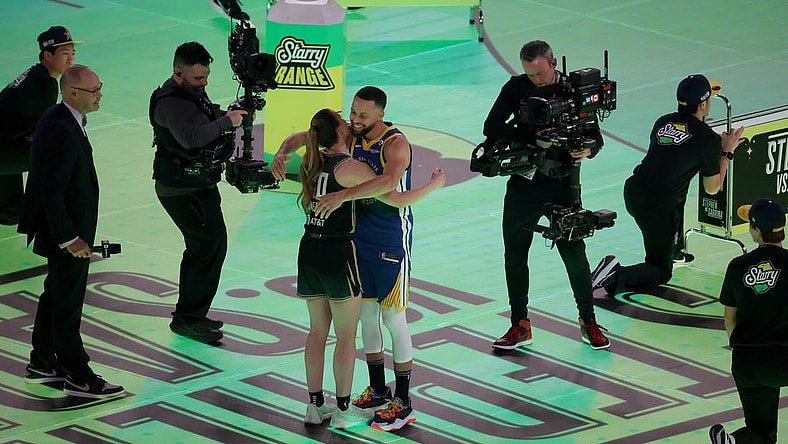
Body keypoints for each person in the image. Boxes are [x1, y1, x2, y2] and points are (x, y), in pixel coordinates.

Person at [273, 86, 422, 432]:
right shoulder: (349, 139)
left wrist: (343, 195)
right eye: (352, 113)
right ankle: (377, 390)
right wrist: (281, 151)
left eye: (362, 115)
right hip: (356, 242)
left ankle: (404, 400)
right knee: (366, 317)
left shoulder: (395, 144)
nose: (354, 120)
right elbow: (303, 136)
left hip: (389, 240)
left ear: (380, 115)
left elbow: (390, 184)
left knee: (392, 318)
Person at [297, 108, 445, 429]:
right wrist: (435, 184)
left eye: (357, 113)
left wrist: (282, 151)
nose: (351, 120)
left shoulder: (310, 161)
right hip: (341, 252)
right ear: (339, 132)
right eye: (346, 117)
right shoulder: (351, 167)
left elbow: (304, 137)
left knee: (320, 330)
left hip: (309, 249)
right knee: (348, 335)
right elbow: (394, 194)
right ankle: (344, 409)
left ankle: (315, 405)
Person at [481, 40, 610, 351]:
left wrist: (588, 148)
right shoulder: (516, 88)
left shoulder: (575, 90)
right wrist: (531, 137)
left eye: (539, 74)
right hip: (524, 183)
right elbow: (492, 126)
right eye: (529, 74)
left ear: (553, 63)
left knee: (575, 256)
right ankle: (519, 324)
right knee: (514, 255)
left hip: (562, 184)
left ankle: (588, 321)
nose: (534, 80)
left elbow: (596, 137)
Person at [17, 64, 124, 399]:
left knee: (54, 296)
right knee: (66, 303)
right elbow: (52, 190)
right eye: (94, 91)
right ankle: (78, 374)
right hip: (66, 236)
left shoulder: (58, 119)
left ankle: (43, 361)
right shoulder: (62, 129)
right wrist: (70, 239)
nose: (100, 95)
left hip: (62, 232)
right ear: (73, 93)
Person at [591, 74, 745, 295]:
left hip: (635, 190)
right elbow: (712, 188)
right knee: (661, 270)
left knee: (676, 196)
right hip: (659, 206)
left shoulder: (663, 121)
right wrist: (726, 152)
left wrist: (701, 133)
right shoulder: (708, 140)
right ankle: (616, 274)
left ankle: (675, 250)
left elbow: (676, 151)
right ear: (703, 104)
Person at [150, 41, 248, 344]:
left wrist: (227, 114)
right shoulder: (171, 102)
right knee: (206, 246)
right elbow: (191, 137)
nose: (203, 83)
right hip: (181, 189)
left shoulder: (189, 93)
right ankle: (187, 318)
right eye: (197, 79)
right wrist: (226, 122)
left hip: (197, 185)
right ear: (178, 72)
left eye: (206, 77)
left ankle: (193, 314)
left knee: (208, 247)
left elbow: (203, 117)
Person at [708, 197, 788, 444]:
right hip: (782, 358)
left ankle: (733, 442)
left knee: (762, 434)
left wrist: (741, 348)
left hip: (746, 362)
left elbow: (729, 318)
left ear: (755, 231)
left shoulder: (737, 266)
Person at [0, 26, 81, 225]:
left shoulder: (34, 74)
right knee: (59, 149)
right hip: (3, 150)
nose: (70, 59)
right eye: (64, 53)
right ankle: (53, 210)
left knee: (11, 213)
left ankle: (10, 207)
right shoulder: (46, 83)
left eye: (72, 53)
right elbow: (47, 129)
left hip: (6, 144)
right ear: (47, 55)